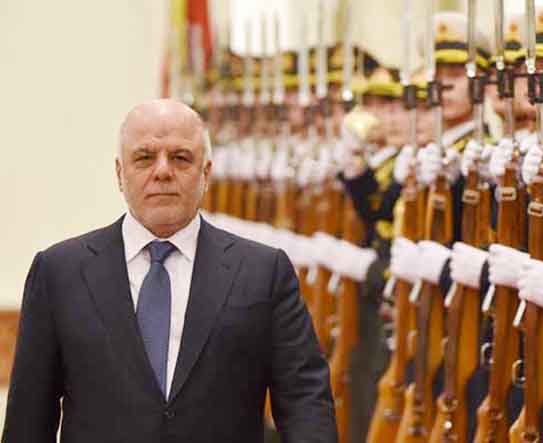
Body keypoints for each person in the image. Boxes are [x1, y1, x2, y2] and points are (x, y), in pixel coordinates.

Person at [2, 99, 337, 443]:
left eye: (180, 158)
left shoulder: (264, 272)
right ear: (120, 174)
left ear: (205, 173)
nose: (162, 171)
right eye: (145, 157)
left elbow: (304, 402)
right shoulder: (60, 272)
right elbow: (29, 417)